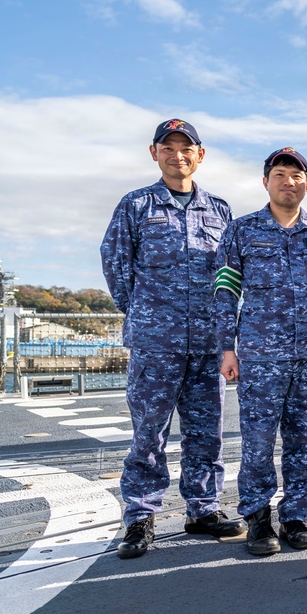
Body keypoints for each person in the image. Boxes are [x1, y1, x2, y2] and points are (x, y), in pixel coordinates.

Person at [100, 118, 245, 559]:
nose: (177, 154)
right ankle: (140, 516)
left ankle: (203, 509)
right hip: (155, 341)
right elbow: (116, 265)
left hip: (207, 342)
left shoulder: (220, 211)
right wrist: (146, 312)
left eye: (187, 148)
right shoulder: (136, 206)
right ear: (154, 152)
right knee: (149, 432)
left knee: (207, 432)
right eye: (169, 147)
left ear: (200, 156)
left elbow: (230, 274)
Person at [214, 147, 307, 556]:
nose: (289, 181)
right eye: (281, 174)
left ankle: (296, 517)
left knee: (306, 441)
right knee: (258, 441)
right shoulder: (242, 230)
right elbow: (225, 291)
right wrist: (226, 348)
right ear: (266, 181)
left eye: (297, 175)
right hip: (259, 355)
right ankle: (257, 518)